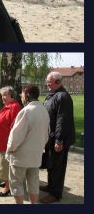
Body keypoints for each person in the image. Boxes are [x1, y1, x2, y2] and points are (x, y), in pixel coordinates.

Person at [6, 84, 50, 205]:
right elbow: (47, 134)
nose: (21, 96)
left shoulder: (26, 111)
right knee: (33, 182)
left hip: (21, 156)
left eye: (22, 94)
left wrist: (9, 149)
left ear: (28, 95)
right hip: (36, 155)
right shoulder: (43, 110)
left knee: (16, 183)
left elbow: (16, 136)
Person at [42, 71, 75, 203]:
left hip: (58, 139)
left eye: (49, 82)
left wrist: (59, 140)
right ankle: (50, 186)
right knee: (51, 163)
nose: (47, 84)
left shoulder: (63, 97)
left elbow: (62, 120)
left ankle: (55, 194)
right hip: (50, 137)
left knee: (58, 166)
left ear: (57, 82)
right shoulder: (52, 95)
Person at [0, 86, 23, 198]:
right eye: (2, 95)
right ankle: (6, 181)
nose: (3, 97)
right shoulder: (7, 106)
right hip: (0, 141)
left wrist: (11, 145)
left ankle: (8, 187)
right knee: (2, 166)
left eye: (5, 95)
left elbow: (15, 129)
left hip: (7, 144)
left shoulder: (14, 108)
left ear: (12, 95)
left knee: (6, 167)